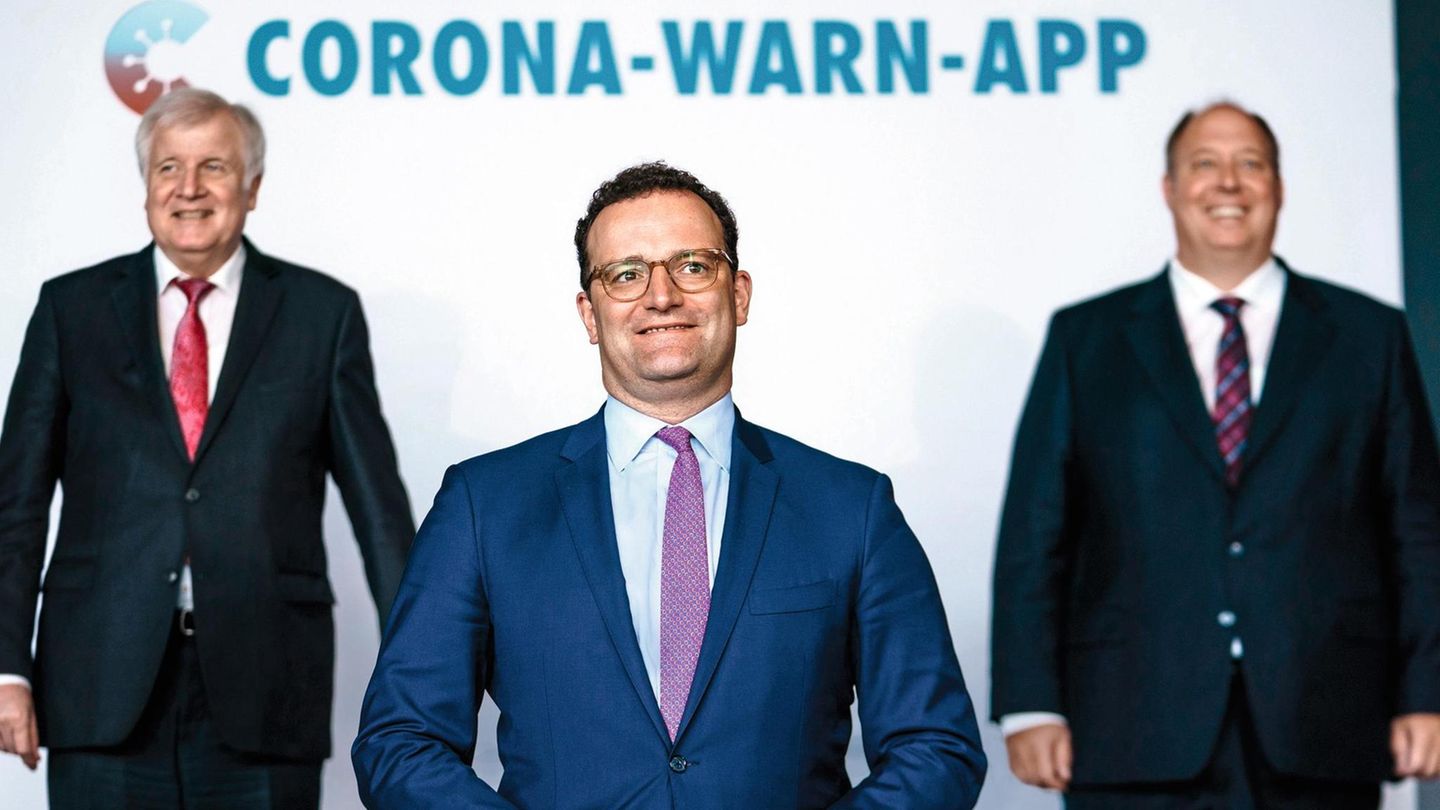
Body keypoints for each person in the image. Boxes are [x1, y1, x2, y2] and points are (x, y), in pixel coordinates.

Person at [352, 162, 986, 808]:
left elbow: (936, 747)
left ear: (738, 295)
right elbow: (401, 742)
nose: (661, 296)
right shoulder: (484, 505)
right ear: (590, 313)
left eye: (692, 266)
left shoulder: (851, 508)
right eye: (626, 274)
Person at [991, 100, 1440, 807]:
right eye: (1205, 164)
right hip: (1130, 731)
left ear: (1280, 188)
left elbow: (1417, 533)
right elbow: (1036, 531)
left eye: (1250, 164)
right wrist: (1031, 703)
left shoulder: (1369, 337)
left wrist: (1428, 691)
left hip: (1324, 726)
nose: (1228, 182)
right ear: (1169, 189)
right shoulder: (1088, 339)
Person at [0, 87, 415, 808]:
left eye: (214, 167)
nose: (188, 189)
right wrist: (7, 669)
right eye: (168, 168)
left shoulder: (322, 315)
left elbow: (378, 509)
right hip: (98, 687)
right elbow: (16, 508)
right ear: (145, 188)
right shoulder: (70, 310)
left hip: (267, 689)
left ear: (252, 188)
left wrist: (422, 667)